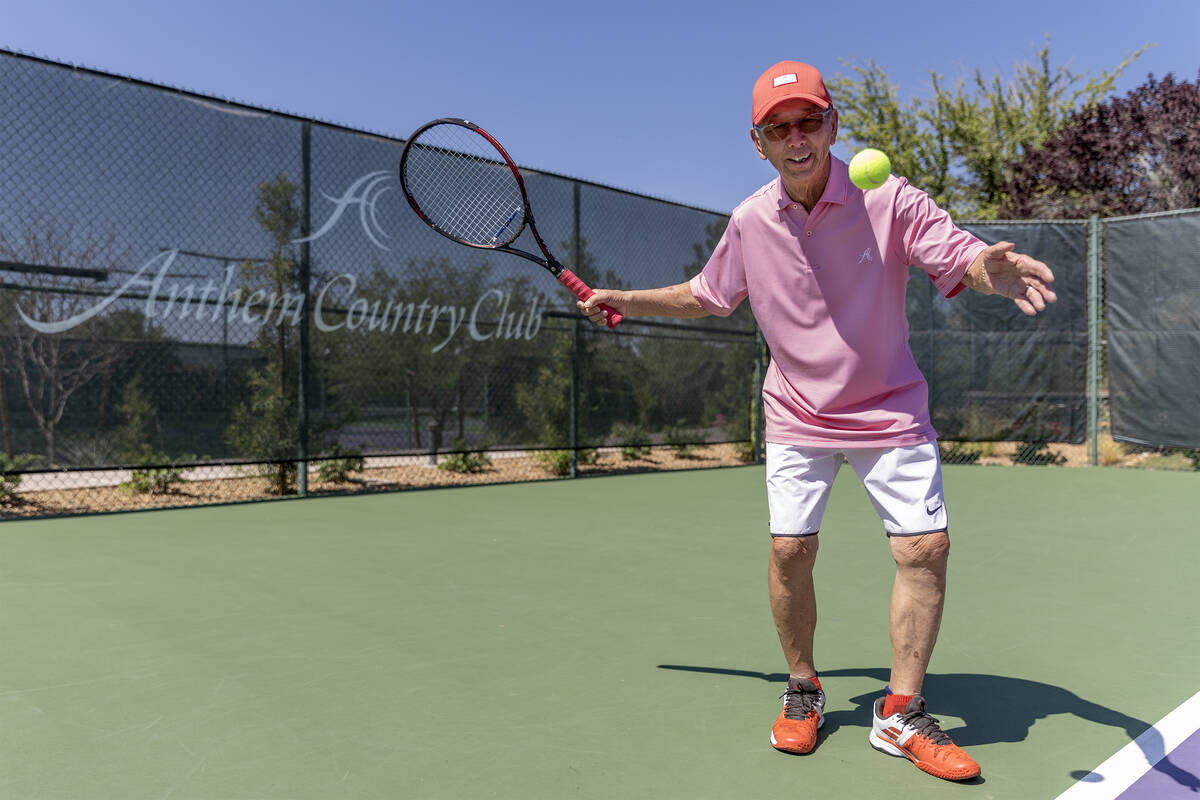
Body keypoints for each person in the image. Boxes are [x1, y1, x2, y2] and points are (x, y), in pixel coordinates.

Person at [579, 60, 1057, 782]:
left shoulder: (887, 196)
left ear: (832, 126)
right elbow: (709, 296)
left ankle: (899, 712)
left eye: (809, 121)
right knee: (788, 554)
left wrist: (990, 272)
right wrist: (627, 298)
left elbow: (957, 254)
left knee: (926, 548)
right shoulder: (748, 221)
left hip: (889, 407)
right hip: (798, 413)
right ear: (759, 142)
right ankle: (803, 688)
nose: (797, 137)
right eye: (780, 127)